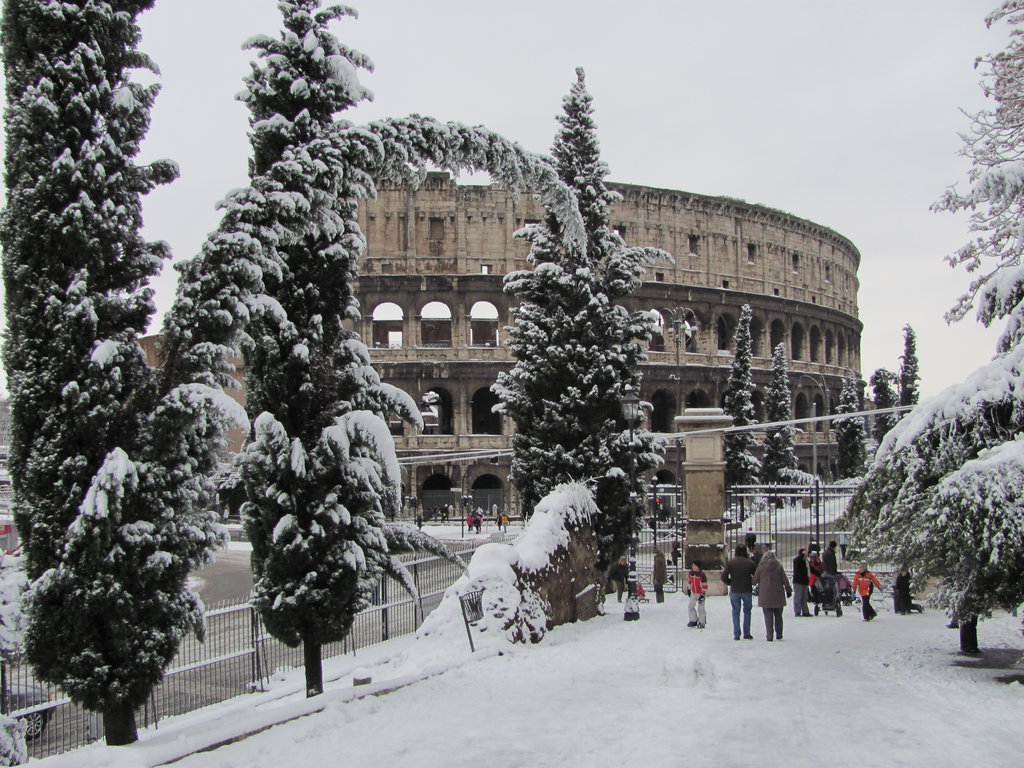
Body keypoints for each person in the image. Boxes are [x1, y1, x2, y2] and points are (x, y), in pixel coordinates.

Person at [753, 550, 792, 641]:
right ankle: (779, 634)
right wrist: (788, 590)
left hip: (765, 594)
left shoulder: (761, 567)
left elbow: (754, 580)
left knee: (767, 615)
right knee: (778, 615)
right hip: (778, 594)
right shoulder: (779, 567)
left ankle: (769, 635)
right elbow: (785, 580)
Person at [721, 545, 757, 640]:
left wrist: (730, 582)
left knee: (735, 612)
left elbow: (723, 577)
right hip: (747, 590)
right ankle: (747, 632)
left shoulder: (731, 563)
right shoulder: (750, 563)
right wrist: (751, 582)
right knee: (747, 611)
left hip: (735, 590)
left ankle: (736, 633)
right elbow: (756, 577)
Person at [686, 561, 708, 627]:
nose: (693, 567)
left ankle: (702, 621)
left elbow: (704, 585)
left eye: (695, 566)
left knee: (701, 608)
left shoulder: (702, 575)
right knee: (690, 606)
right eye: (692, 566)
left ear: (698, 567)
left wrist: (702, 594)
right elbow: (690, 581)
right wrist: (689, 588)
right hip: (693, 592)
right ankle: (693, 620)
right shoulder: (691, 573)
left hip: (700, 592)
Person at [792, 548, 812, 617]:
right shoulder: (798, 560)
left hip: (805, 581)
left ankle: (805, 611)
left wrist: (819, 574)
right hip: (798, 581)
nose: (807, 553)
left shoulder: (806, 561)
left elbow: (811, 569)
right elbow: (797, 561)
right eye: (805, 552)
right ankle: (797, 611)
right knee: (798, 597)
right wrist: (802, 555)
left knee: (804, 597)